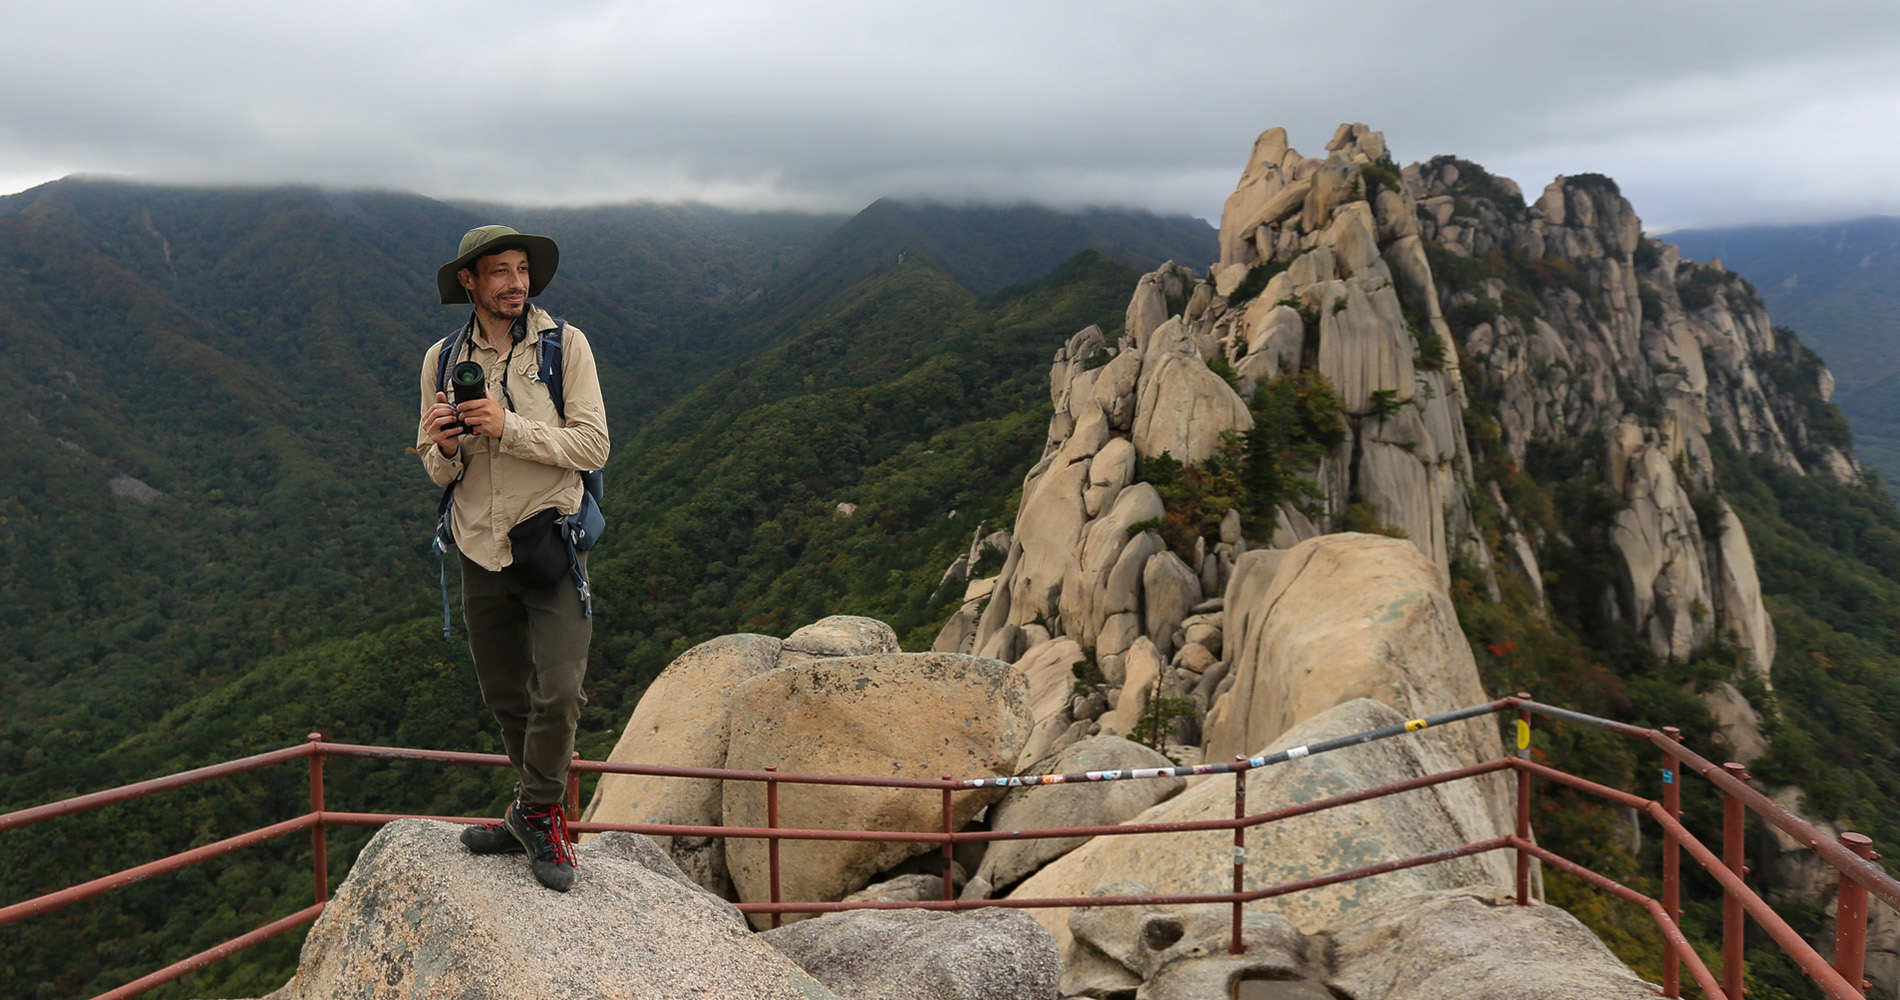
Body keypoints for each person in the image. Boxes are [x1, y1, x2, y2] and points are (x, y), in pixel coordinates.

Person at [416, 225, 610, 891]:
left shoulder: (564, 347)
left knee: (559, 690)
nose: (515, 283)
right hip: (477, 547)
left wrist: (509, 427)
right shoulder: (442, 360)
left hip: (548, 542)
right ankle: (529, 810)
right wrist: (442, 445)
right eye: (498, 271)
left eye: (521, 269)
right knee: (506, 696)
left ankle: (544, 813)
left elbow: (593, 447)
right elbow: (435, 470)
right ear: (469, 281)